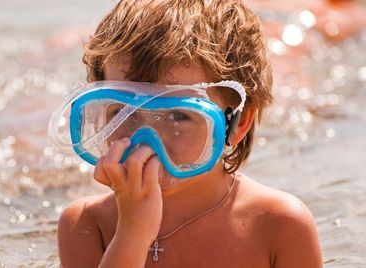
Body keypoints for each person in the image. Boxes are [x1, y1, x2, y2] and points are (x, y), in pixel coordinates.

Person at [55, 0, 323, 267]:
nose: (145, 140)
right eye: (123, 112)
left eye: (178, 116)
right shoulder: (86, 224)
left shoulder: (279, 226)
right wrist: (132, 234)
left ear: (237, 124)